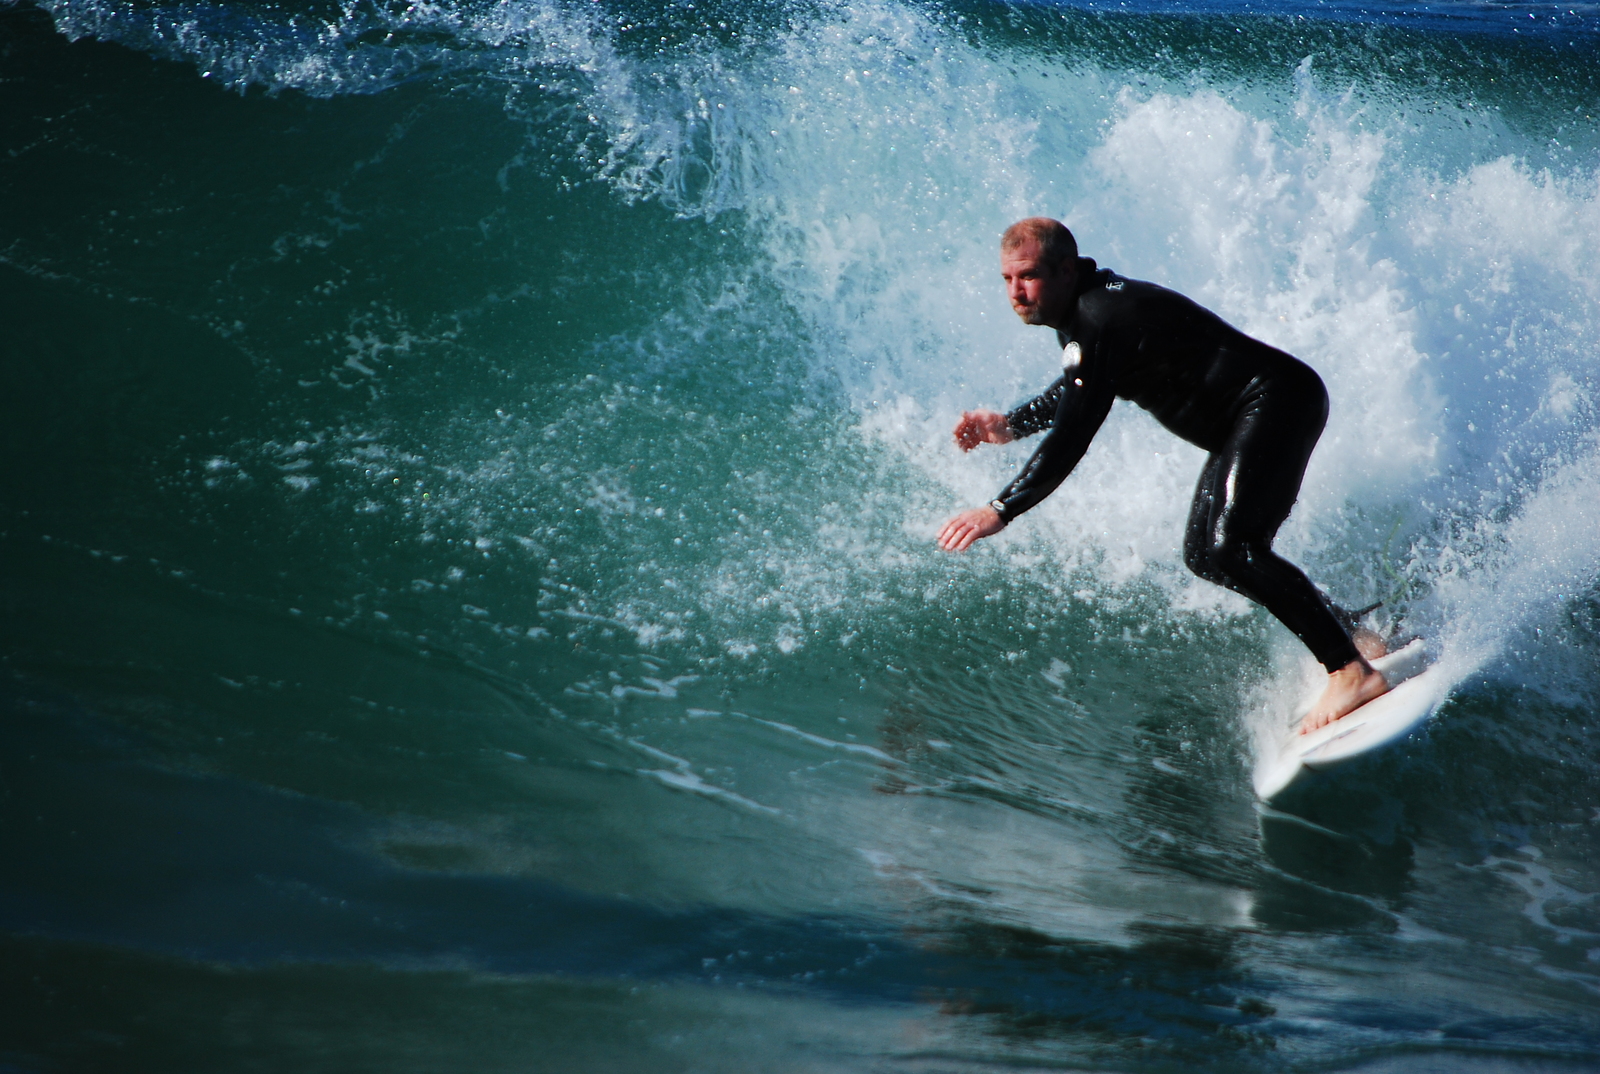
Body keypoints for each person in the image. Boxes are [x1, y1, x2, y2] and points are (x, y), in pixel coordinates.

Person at [936, 218, 1387, 733]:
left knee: (1232, 547)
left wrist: (1000, 508)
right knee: (1206, 553)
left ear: (1064, 270)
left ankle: (1349, 669)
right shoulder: (1083, 312)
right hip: (1258, 414)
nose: (1016, 292)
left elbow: (1073, 434)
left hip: (1275, 402)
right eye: (1007, 280)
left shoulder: (1098, 315)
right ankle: (1351, 635)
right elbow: (1082, 385)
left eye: (1028, 276)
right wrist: (1012, 424)